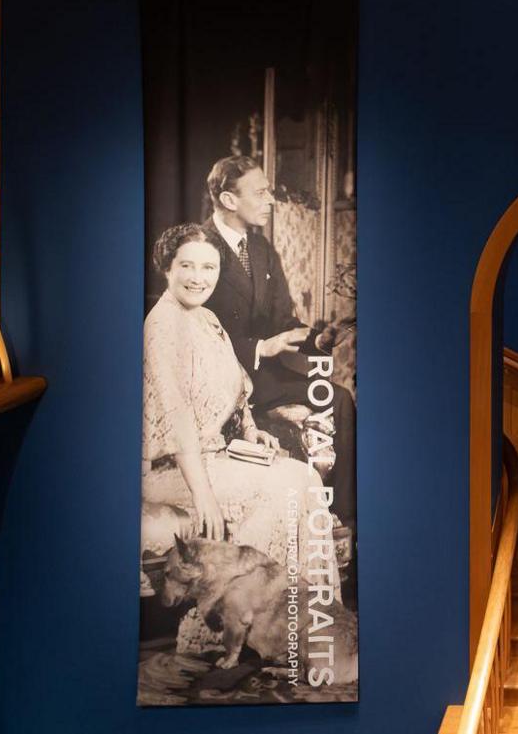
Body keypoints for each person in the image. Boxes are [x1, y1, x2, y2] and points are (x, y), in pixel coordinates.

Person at [140, 224, 333, 652]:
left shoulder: (206, 318)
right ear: (166, 269)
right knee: (282, 487)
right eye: (186, 265)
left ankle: (287, 625)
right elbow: (177, 419)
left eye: (208, 267)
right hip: (173, 469)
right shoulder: (162, 325)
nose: (198, 276)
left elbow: (238, 387)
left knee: (301, 476)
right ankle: (225, 625)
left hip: (214, 457)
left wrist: (252, 430)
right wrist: (203, 494)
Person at [200, 155, 357, 533]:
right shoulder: (199, 249)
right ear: (228, 199)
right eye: (262, 192)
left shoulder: (261, 249)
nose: (272, 199)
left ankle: (343, 523)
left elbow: (283, 321)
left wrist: (317, 339)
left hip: (263, 378)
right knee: (334, 399)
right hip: (219, 382)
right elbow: (196, 335)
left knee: (339, 398)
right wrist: (261, 348)